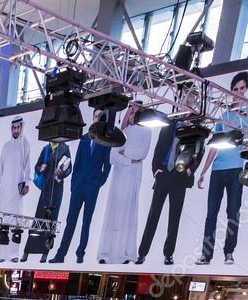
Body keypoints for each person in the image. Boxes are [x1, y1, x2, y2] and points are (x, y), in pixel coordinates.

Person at [196, 71, 248, 265]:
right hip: (217, 171)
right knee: (211, 214)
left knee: (232, 213)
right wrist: (203, 171)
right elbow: (213, 147)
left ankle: (229, 252)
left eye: (242, 89)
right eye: (235, 89)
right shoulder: (223, 116)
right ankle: (206, 254)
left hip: (236, 169)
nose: (238, 92)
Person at [50, 110, 110, 264]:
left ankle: (80, 253)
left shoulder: (105, 141)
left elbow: (107, 165)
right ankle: (60, 255)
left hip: (92, 188)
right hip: (78, 187)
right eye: (96, 116)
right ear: (93, 117)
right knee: (70, 221)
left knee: (86, 222)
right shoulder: (84, 139)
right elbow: (76, 164)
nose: (97, 119)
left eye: (100, 117)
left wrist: (98, 183)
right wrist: (73, 184)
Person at [136, 121, 199, 266]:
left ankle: (168, 254)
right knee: (153, 215)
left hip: (180, 174)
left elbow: (199, 150)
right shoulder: (168, 125)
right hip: (163, 172)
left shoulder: (194, 128)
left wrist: (190, 170)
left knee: (174, 218)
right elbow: (158, 148)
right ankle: (142, 253)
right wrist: (155, 169)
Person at [97, 104, 151, 264]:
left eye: (135, 112)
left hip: (132, 176)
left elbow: (141, 154)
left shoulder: (147, 131)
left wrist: (125, 153)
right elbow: (113, 157)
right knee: (113, 213)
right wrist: (129, 160)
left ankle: (124, 254)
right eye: (131, 111)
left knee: (127, 212)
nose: (132, 115)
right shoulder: (123, 132)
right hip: (119, 176)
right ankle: (106, 253)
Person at [22, 139, 72, 262]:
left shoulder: (64, 148)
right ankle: (27, 252)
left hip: (57, 189)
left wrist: (61, 173)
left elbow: (69, 168)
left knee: (51, 221)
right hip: (46, 189)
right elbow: (37, 166)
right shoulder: (46, 149)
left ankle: (45, 253)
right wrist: (40, 168)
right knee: (38, 220)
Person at [0, 116, 31, 261]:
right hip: (4, 191)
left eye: (18, 128)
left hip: (17, 191)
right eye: (14, 128)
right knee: (2, 220)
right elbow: (0, 169)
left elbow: (28, 167)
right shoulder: (5, 147)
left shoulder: (25, 144)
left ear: (21, 128)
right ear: (11, 129)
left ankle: (13, 255)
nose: (16, 130)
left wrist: (27, 184)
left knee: (16, 222)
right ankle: (1, 254)